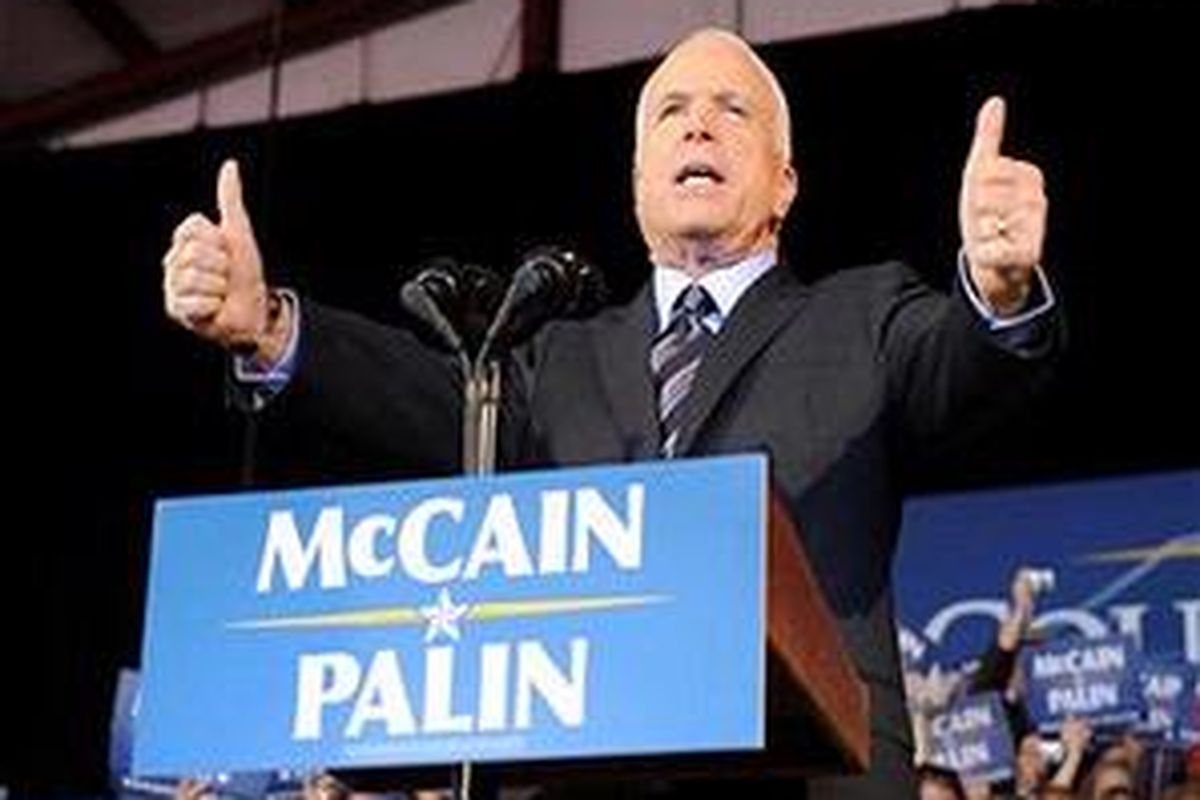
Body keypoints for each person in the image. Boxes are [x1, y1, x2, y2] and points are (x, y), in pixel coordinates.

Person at [161, 27, 1063, 799]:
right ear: (638, 184)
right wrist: (271, 329)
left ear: (785, 183)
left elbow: (962, 366)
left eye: (731, 109)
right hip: (593, 774)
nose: (698, 123)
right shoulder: (556, 355)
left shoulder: (862, 316)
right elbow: (424, 398)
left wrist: (996, 289)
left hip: (811, 773)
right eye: (671, 112)